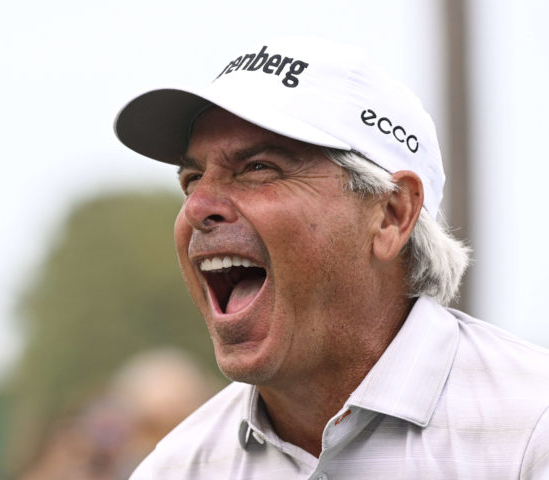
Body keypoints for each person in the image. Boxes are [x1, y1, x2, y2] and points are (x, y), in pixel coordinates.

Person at [113, 36, 549, 479]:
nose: (197, 206)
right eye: (192, 178)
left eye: (258, 168)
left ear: (391, 214)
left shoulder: (532, 429)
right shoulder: (177, 468)